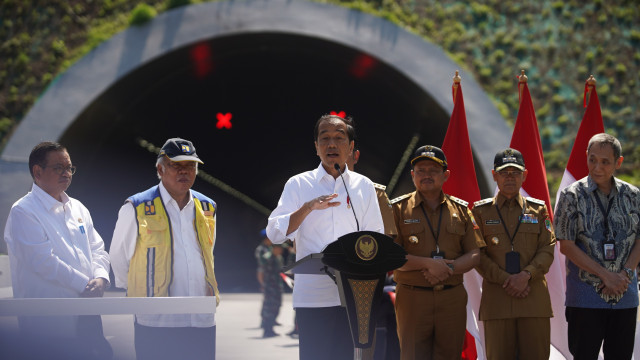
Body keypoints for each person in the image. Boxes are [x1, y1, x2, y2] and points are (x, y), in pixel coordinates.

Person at [266, 114, 384, 360]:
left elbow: (376, 239)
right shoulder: (298, 184)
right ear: (316, 147)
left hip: (353, 298)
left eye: (339, 138)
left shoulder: (364, 186)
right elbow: (275, 233)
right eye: (325, 138)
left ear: (350, 147)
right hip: (313, 297)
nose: (332, 144)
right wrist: (307, 207)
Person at [110, 137, 219, 360]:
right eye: (176, 165)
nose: (184, 172)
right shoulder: (138, 206)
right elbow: (119, 256)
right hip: (156, 319)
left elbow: (208, 252)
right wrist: (137, 291)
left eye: (190, 166)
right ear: (160, 169)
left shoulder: (208, 207)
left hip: (200, 317)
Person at [3, 141, 112, 359]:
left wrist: (100, 278)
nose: (66, 173)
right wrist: (84, 285)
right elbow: (42, 261)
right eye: (59, 168)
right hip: (48, 327)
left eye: (69, 168)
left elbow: (97, 248)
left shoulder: (78, 208)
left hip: (88, 317)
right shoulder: (23, 211)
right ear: (37, 171)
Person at [390, 145, 485, 360]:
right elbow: (392, 256)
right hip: (412, 297)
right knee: (413, 355)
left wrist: (447, 268)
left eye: (433, 170)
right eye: (421, 171)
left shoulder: (461, 211)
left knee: (450, 355)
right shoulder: (397, 209)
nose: (426, 175)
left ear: (446, 175)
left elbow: (474, 254)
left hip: (451, 297)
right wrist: (428, 264)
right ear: (412, 175)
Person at [555, 133, 640, 360]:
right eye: (592, 159)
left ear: (618, 163)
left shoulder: (633, 196)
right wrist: (606, 276)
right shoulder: (571, 196)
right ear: (586, 157)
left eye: (605, 162)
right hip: (585, 297)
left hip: (625, 295)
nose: (597, 167)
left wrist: (626, 273)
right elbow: (566, 245)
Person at [472, 148, 555, 360]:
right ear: (494, 175)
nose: (510, 178)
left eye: (515, 173)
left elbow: (547, 248)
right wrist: (508, 280)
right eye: (504, 173)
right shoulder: (480, 212)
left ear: (525, 175)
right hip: (497, 302)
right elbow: (477, 253)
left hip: (533, 301)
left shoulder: (538, 210)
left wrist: (525, 276)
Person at [255, 229, 285, 338]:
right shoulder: (265, 253)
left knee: (275, 306)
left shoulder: (275, 255)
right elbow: (261, 270)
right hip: (270, 286)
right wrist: (262, 284)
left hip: (276, 285)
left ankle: (270, 327)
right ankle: (267, 328)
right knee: (269, 307)